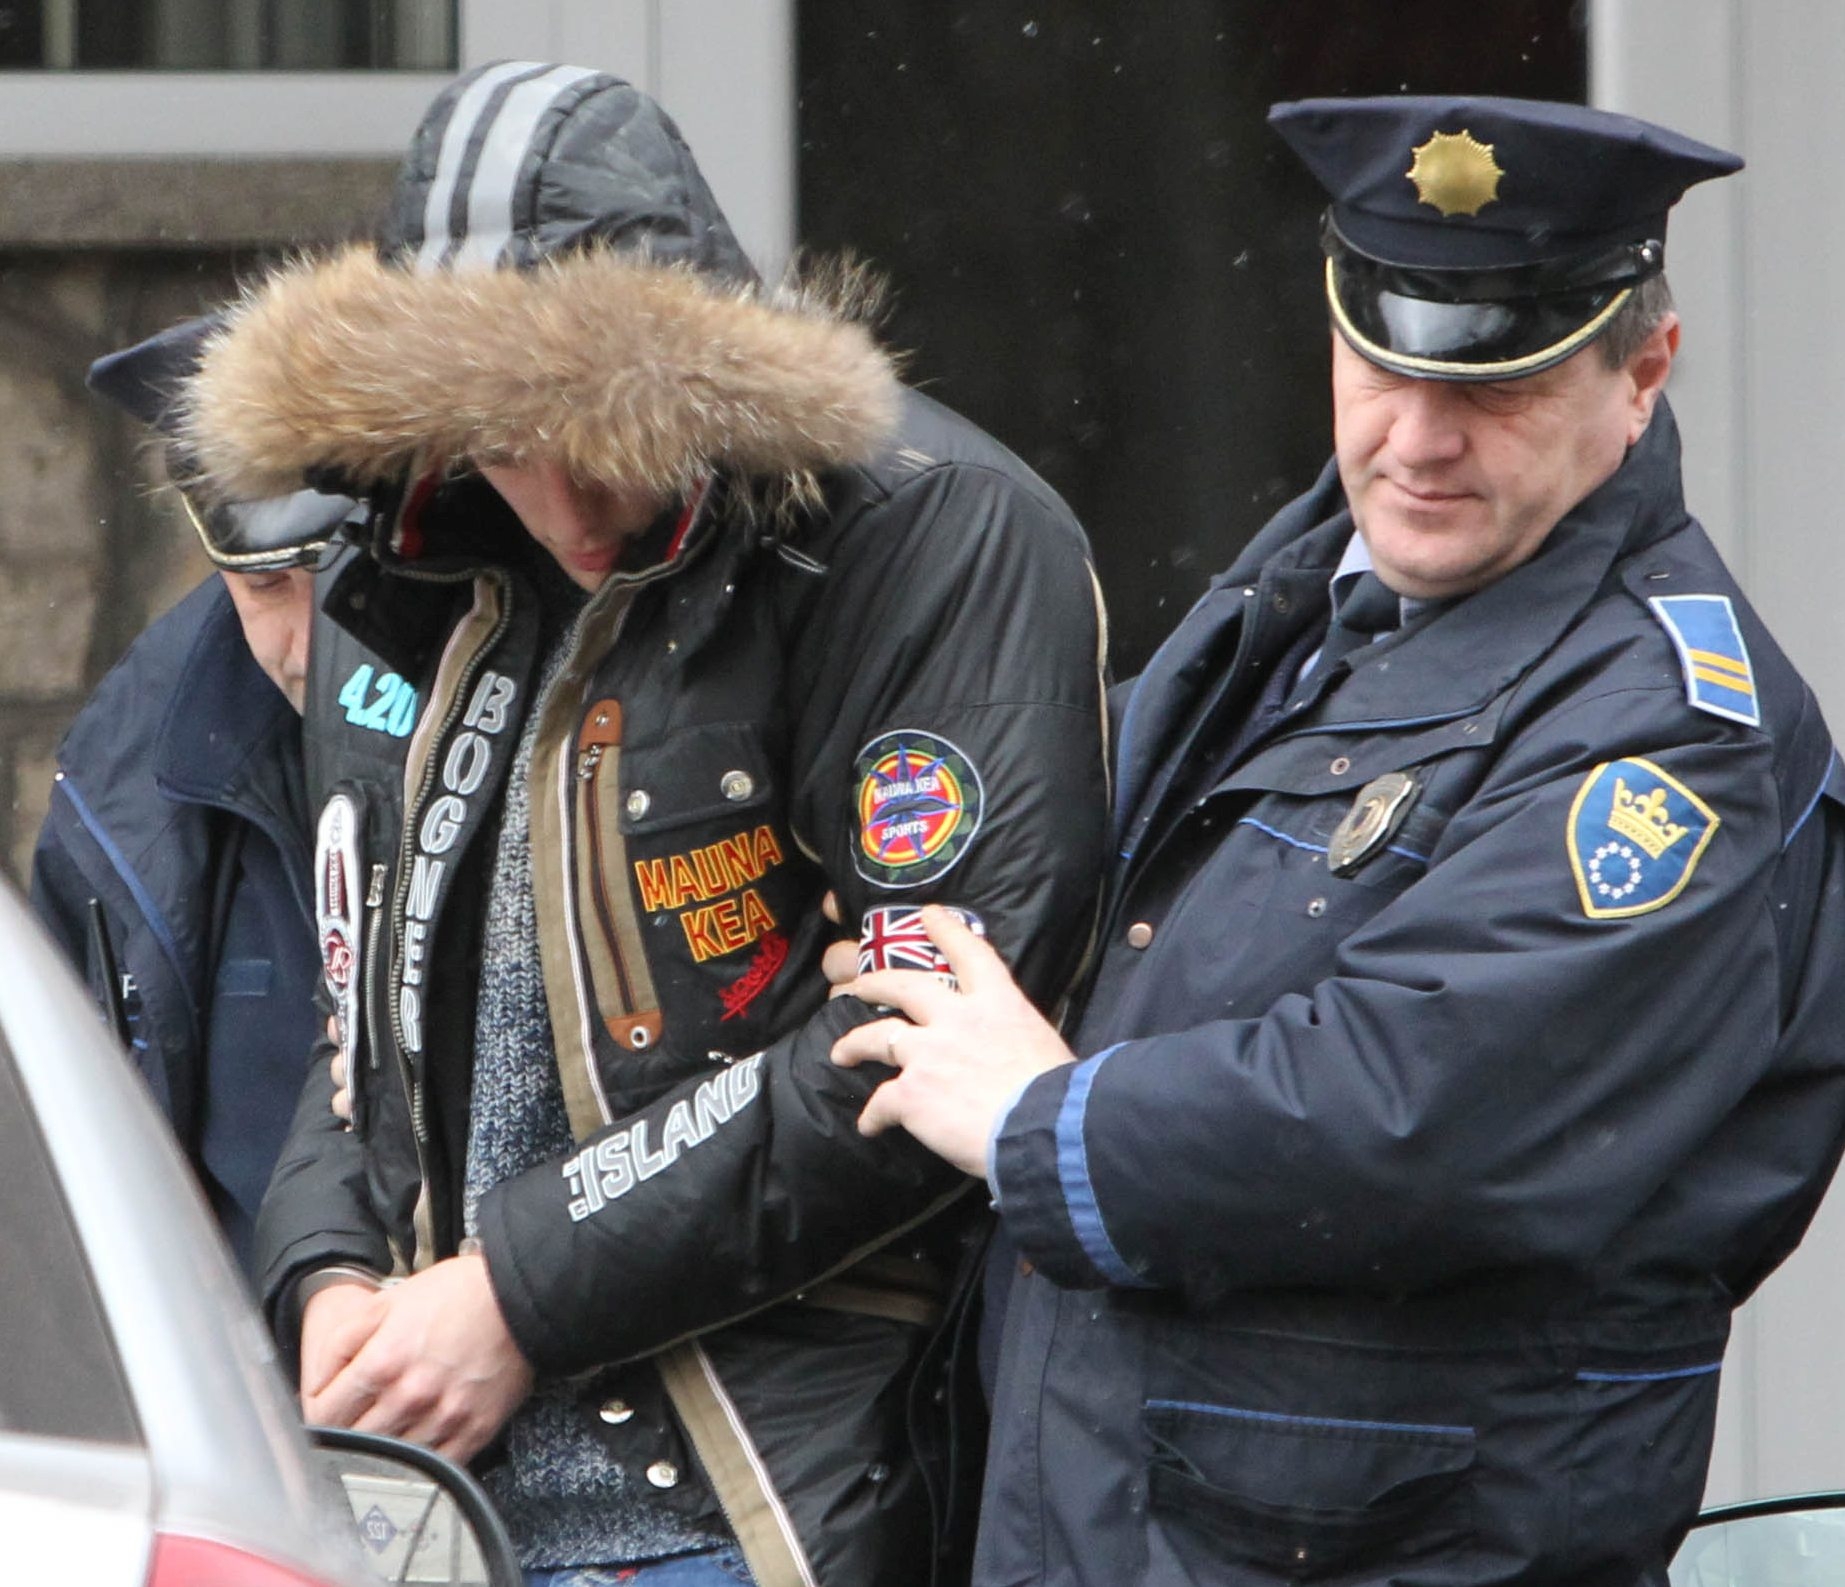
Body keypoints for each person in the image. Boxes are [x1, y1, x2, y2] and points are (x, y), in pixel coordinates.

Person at [829, 96, 1845, 1586]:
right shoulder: (1311, 598)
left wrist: (1043, 1119)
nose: (1419, 438)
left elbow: (1420, 1111)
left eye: (1498, 385)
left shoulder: (1675, 737)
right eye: (1382, 364)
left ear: (1642, 375)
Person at [182, 62, 1107, 1587]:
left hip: (755, 1504)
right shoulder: (400, 561)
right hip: (431, 1511)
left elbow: (930, 1034)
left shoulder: (928, 531)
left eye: (604, 425)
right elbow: (362, 1018)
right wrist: (326, 1275)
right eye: (499, 432)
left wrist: (515, 1293)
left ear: (699, 357)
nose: (564, 496)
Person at [31, 319, 356, 1280]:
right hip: (239, 1358)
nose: (310, 643)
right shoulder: (123, 781)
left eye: (340, 581)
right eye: (268, 586)